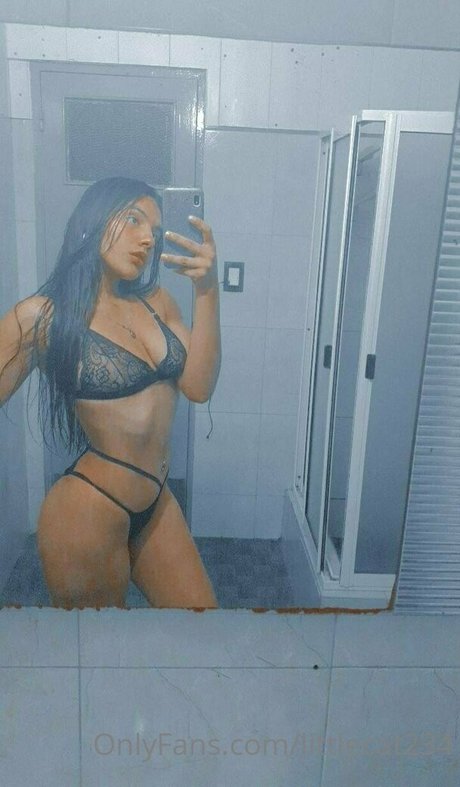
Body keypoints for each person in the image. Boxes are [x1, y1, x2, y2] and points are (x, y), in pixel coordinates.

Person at [0, 176, 221, 610]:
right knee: (102, 646)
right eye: (134, 220)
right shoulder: (42, 317)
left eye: (155, 231)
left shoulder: (157, 301)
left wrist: (207, 290)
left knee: (205, 627)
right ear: (92, 221)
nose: (148, 240)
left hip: (157, 501)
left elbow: (198, 387)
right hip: (87, 509)